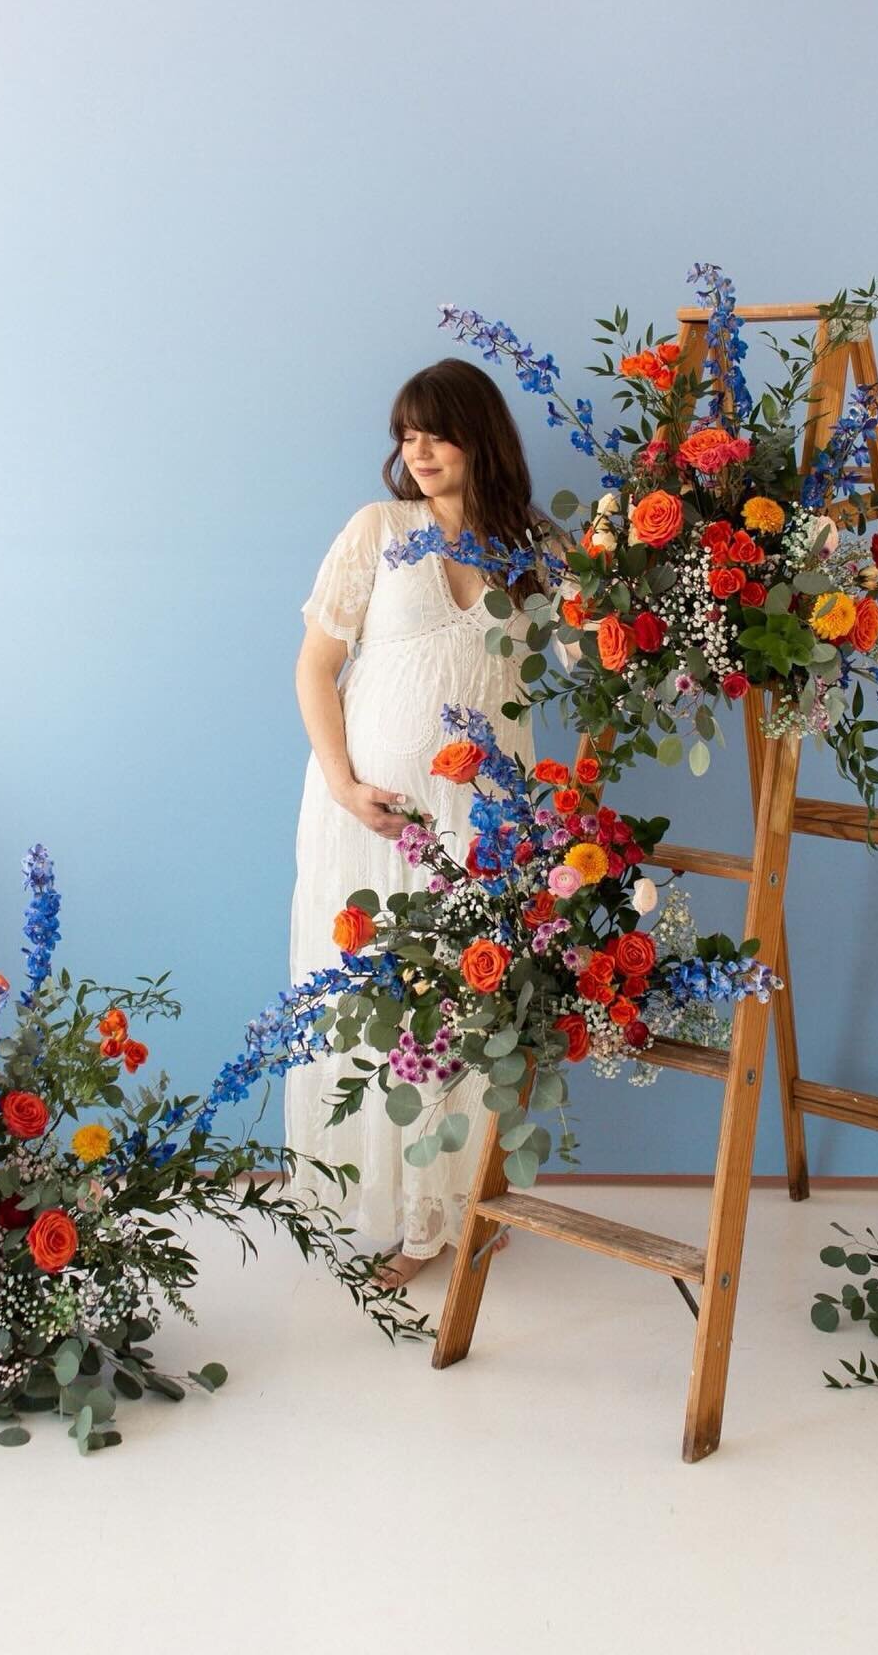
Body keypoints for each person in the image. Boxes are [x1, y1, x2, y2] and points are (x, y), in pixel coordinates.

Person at [285, 357, 571, 1290]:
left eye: (437, 434)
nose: (419, 452)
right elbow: (314, 669)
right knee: (383, 1013)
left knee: (473, 1009)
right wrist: (342, 782)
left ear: (480, 436)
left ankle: (458, 1204)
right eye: (407, 436)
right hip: (377, 817)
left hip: (487, 826)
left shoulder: (536, 546)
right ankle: (408, 1216)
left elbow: (596, 650)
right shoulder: (379, 529)